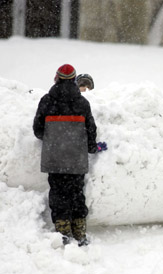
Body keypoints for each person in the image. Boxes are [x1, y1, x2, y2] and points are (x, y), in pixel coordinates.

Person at [33, 64, 107, 246]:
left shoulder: (47, 101)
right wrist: (92, 147)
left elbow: (37, 130)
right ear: (74, 80)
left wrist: (53, 139)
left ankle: (63, 230)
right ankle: (79, 230)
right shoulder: (82, 103)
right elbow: (91, 129)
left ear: (56, 78)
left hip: (54, 155)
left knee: (58, 192)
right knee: (76, 192)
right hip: (76, 156)